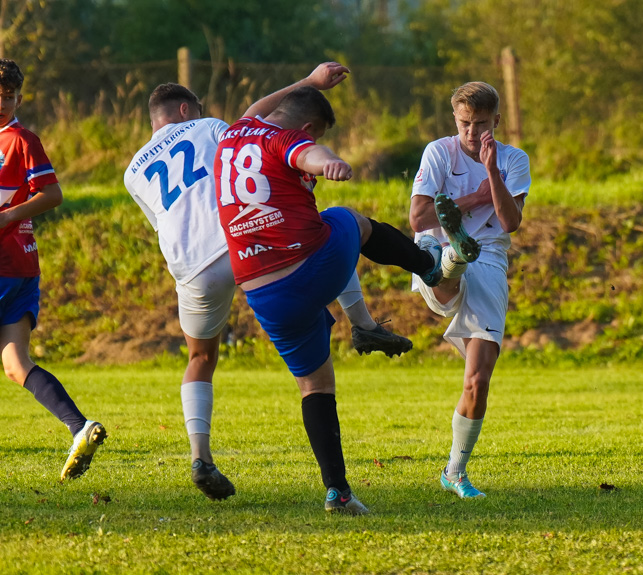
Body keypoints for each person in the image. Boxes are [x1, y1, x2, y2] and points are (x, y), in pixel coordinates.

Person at [124, 63, 412, 501]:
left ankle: (200, 455)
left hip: (192, 266)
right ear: (187, 109)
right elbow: (258, 115)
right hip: (242, 240)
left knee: (200, 356)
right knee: (318, 231)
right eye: (197, 108)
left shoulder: (131, 171)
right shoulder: (209, 126)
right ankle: (364, 323)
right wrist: (310, 83)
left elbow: (161, 225)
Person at [215, 85, 445, 514]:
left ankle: (337, 492)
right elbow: (307, 156)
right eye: (316, 134)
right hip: (307, 268)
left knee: (315, 386)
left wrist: (311, 80)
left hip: (262, 294)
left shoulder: (235, 132)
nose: (315, 142)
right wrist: (330, 162)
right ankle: (428, 265)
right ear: (306, 129)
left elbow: (255, 107)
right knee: (348, 220)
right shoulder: (287, 139)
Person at [410, 82, 530, 499]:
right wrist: (471, 200)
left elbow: (511, 222)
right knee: (443, 264)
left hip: (490, 258)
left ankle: (454, 473)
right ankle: (454, 256)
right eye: (464, 123)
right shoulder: (439, 152)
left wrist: (491, 172)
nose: (472, 132)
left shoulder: (514, 160)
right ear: (454, 119)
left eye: (481, 124)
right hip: (434, 247)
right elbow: (419, 217)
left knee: (477, 381)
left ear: (496, 120)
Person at [0, 59, 106, 481]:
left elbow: (53, 193)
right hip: (23, 265)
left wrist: (8, 217)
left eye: (8, 97)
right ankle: (80, 427)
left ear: (20, 98)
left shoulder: (22, 139)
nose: (2, 104)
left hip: (11, 261)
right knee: (15, 364)